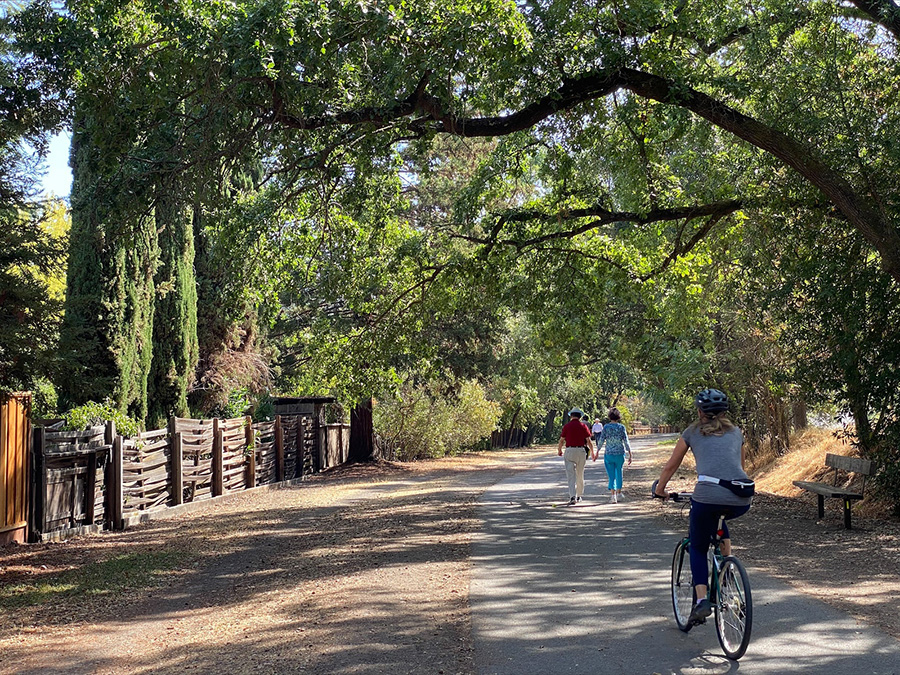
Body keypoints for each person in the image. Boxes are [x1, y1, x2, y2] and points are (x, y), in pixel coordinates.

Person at [653, 388, 752, 626]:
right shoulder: (737, 432)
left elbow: (670, 466)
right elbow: (739, 467)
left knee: (697, 546)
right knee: (719, 520)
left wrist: (660, 489)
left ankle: (701, 601)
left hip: (707, 496)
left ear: (699, 411)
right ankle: (727, 571)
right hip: (741, 497)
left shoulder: (692, 432)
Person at [593, 407, 632, 503]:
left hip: (609, 454)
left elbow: (601, 440)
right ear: (618, 417)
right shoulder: (621, 427)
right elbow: (626, 441)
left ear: (609, 416)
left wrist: (597, 451)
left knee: (611, 475)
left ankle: (613, 495)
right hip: (620, 453)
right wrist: (630, 453)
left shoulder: (606, 427)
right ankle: (619, 492)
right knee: (619, 472)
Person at [557, 408, 592, 505]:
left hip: (569, 450)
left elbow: (561, 440)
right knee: (580, 474)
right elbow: (588, 441)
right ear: (580, 416)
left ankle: (572, 496)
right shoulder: (583, 426)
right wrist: (593, 452)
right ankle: (579, 495)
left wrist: (559, 450)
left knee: (570, 475)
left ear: (571, 416)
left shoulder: (567, 426)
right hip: (581, 451)